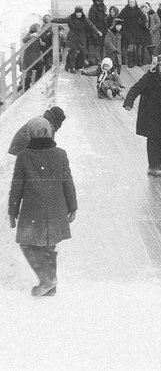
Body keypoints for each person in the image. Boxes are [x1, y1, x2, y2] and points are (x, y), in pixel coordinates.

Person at [8, 117, 77, 296]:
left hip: (33, 208)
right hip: (56, 207)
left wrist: (12, 211)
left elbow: (17, 185)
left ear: (30, 134)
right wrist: (73, 206)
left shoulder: (24, 156)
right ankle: (51, 287)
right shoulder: (60, 153)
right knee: (49, 245)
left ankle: (47, 279)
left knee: (27, 243)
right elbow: (67, 181)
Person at [123, 54, 161, 176]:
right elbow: (135, 89)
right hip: (150, 114)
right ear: (157, 66)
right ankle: (153, 166)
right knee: (153, 139)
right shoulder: (149, 77)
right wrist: (129, 102)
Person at [53, 6, 101, 73]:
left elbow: (91, 25)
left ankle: (81, 67)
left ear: (82, 13)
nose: (78, 14)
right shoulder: (71, 18)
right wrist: (53, 20)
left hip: (81, 37)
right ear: (75, 13)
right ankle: (72, 67)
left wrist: (97, 31)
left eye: (80, 13)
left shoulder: (84, 19)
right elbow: (63, 20)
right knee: (72, 52)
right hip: (73, 36)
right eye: (77, 13)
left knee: (82, 52)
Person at [118, 0, 143, 67]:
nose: (131, 3)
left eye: (133, 2)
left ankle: (138, 62)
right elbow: (119, 18)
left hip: (136, 31)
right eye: (130, 2)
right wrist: (123, 25)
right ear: (128, 2)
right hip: (128, 31)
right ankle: (130, 62)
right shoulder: (125, 10)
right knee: (131, 46)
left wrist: (140, 24)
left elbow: (144, 18)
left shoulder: (138, 10)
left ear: (135, 2)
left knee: (138, 46)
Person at [20, 24, 43, 91]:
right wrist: (30, 36)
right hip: (29, 59)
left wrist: (42, 44)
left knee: (40, 68)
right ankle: (26, 89)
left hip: (36, 58)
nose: (39, 29)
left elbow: (39, 48)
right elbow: (24, 40)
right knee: (28, 74)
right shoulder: (30, 35)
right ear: (34, 29)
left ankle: (36, 84)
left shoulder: (38, 37)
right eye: (38, 28)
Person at [87, 0, 107, 66]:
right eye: (98, 1)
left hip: (102, 30)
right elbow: (91, 22)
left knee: (100, 46)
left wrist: (105, 29)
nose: (99, 2)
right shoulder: (93, 9)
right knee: (93, 45)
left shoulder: (103, 7)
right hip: (94, 30)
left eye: (101, 0)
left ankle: (99, 60)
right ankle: (92, 61)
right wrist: (95, 31)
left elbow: (104, 19)